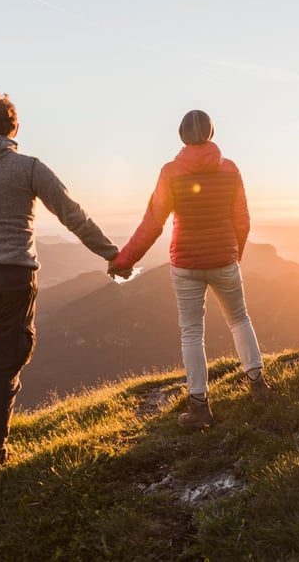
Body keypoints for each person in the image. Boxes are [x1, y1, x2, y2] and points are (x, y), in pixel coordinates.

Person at [0, 92, 119, 478]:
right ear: (14, 128)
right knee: (5, 367)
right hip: (15, 278)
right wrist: (110, 252)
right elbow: (71, 214)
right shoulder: (28, 167)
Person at [109, 109, 271, 429]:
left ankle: (199, 407)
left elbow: (153, 223)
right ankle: (258, 386)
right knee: (239, 319)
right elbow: (243, 220)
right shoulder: (230, 169)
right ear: (211, 133)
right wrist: (233, 254)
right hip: (224, 259)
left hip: (185, 263)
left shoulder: (171, 172)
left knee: (192, 332)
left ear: (182, 136)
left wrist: (123, 261)